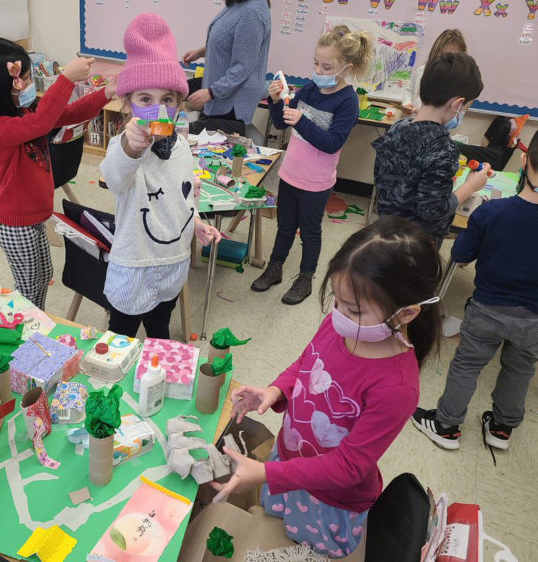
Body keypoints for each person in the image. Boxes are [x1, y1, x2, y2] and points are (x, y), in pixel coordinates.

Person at [211, 217, 442, 558]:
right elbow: (306, 363)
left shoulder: (397, 386)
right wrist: (276, 391)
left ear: (406, 314)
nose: (339, 313)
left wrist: (265, 473)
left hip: (329, 498)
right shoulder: (340, 325)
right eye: (337, 299)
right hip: (289, 461)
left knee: (300, 548)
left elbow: (348, 466)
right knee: (276, 524)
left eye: (354, 309)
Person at [413, 132, 538, 455]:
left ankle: (446, 426)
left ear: (524, 161)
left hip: (488, 308)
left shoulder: (492, 212)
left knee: (467, 365)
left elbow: (461, 255)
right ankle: (501, 428)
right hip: (534, 318)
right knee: (520, 368)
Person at [0, 38, 113, 310]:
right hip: (15, 224)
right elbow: (42, 122)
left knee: (43, 277)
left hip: (36, 217)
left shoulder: (24, 110)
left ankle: (35, 323)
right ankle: (27, 331)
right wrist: (66, 79)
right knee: (28, 290)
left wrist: (107, 94)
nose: (28, 84)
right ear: (1, 87)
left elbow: (68, 113)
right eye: (22, 79)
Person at [100, 13, 221, 339]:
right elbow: (114, 176)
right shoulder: (124, 148)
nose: (158, 109)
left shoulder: (181, 146)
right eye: (145, 100)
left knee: (160, 334)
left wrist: (197, 225)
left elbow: (182, 197)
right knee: (120, 340)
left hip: (171, 265)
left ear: (180, 102)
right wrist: (131, 147)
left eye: (167, 99)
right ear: (128, 104)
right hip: (134, 268)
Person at [251, 26, 373, 305]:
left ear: (346, 68)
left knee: (310, 232)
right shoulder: (309, 88)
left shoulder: (348, 101)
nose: (318, 69)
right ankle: (275, 267)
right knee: (284, 227)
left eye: (327, 66)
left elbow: (331, 143)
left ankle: (306, 277)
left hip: (316, 182)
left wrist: (301, 120)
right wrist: (274, 100)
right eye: (316, 63)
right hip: (290, 173)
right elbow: (282, 122)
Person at [373, 53, 489, 246]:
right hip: (417, 244)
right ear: (457, 104)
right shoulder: (444, 149)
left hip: (385, 231)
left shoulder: (398, 127)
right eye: (466, 108)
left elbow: (382, 179)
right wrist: (470, 186)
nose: (463, 113)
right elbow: (433, 210)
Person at [182, 0, 271, 136]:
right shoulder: (238, 5)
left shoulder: (252, 13)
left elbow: (243, 66)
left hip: (231, 100)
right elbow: (227, 41)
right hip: (219, 91)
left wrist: (212, 92)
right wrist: (200, 52)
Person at [401, 29, 466, 114]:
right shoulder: (422, 70)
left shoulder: (458, 82)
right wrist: (407, 103)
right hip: (412, 122)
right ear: (435, 53)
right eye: (445, 55)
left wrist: (422, 114)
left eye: (455, 57)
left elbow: (452, 118)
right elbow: (409, 89)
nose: (449, 60)